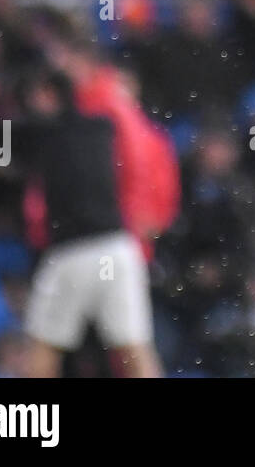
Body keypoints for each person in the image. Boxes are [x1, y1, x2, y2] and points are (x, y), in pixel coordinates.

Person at [13, 64, 164, 378]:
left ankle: (31, 422)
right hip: (119, 247)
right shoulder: (103, 127)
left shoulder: (39, 134)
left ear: (48, 95)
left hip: (71, 252)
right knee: (134, 346)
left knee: (42, 346)